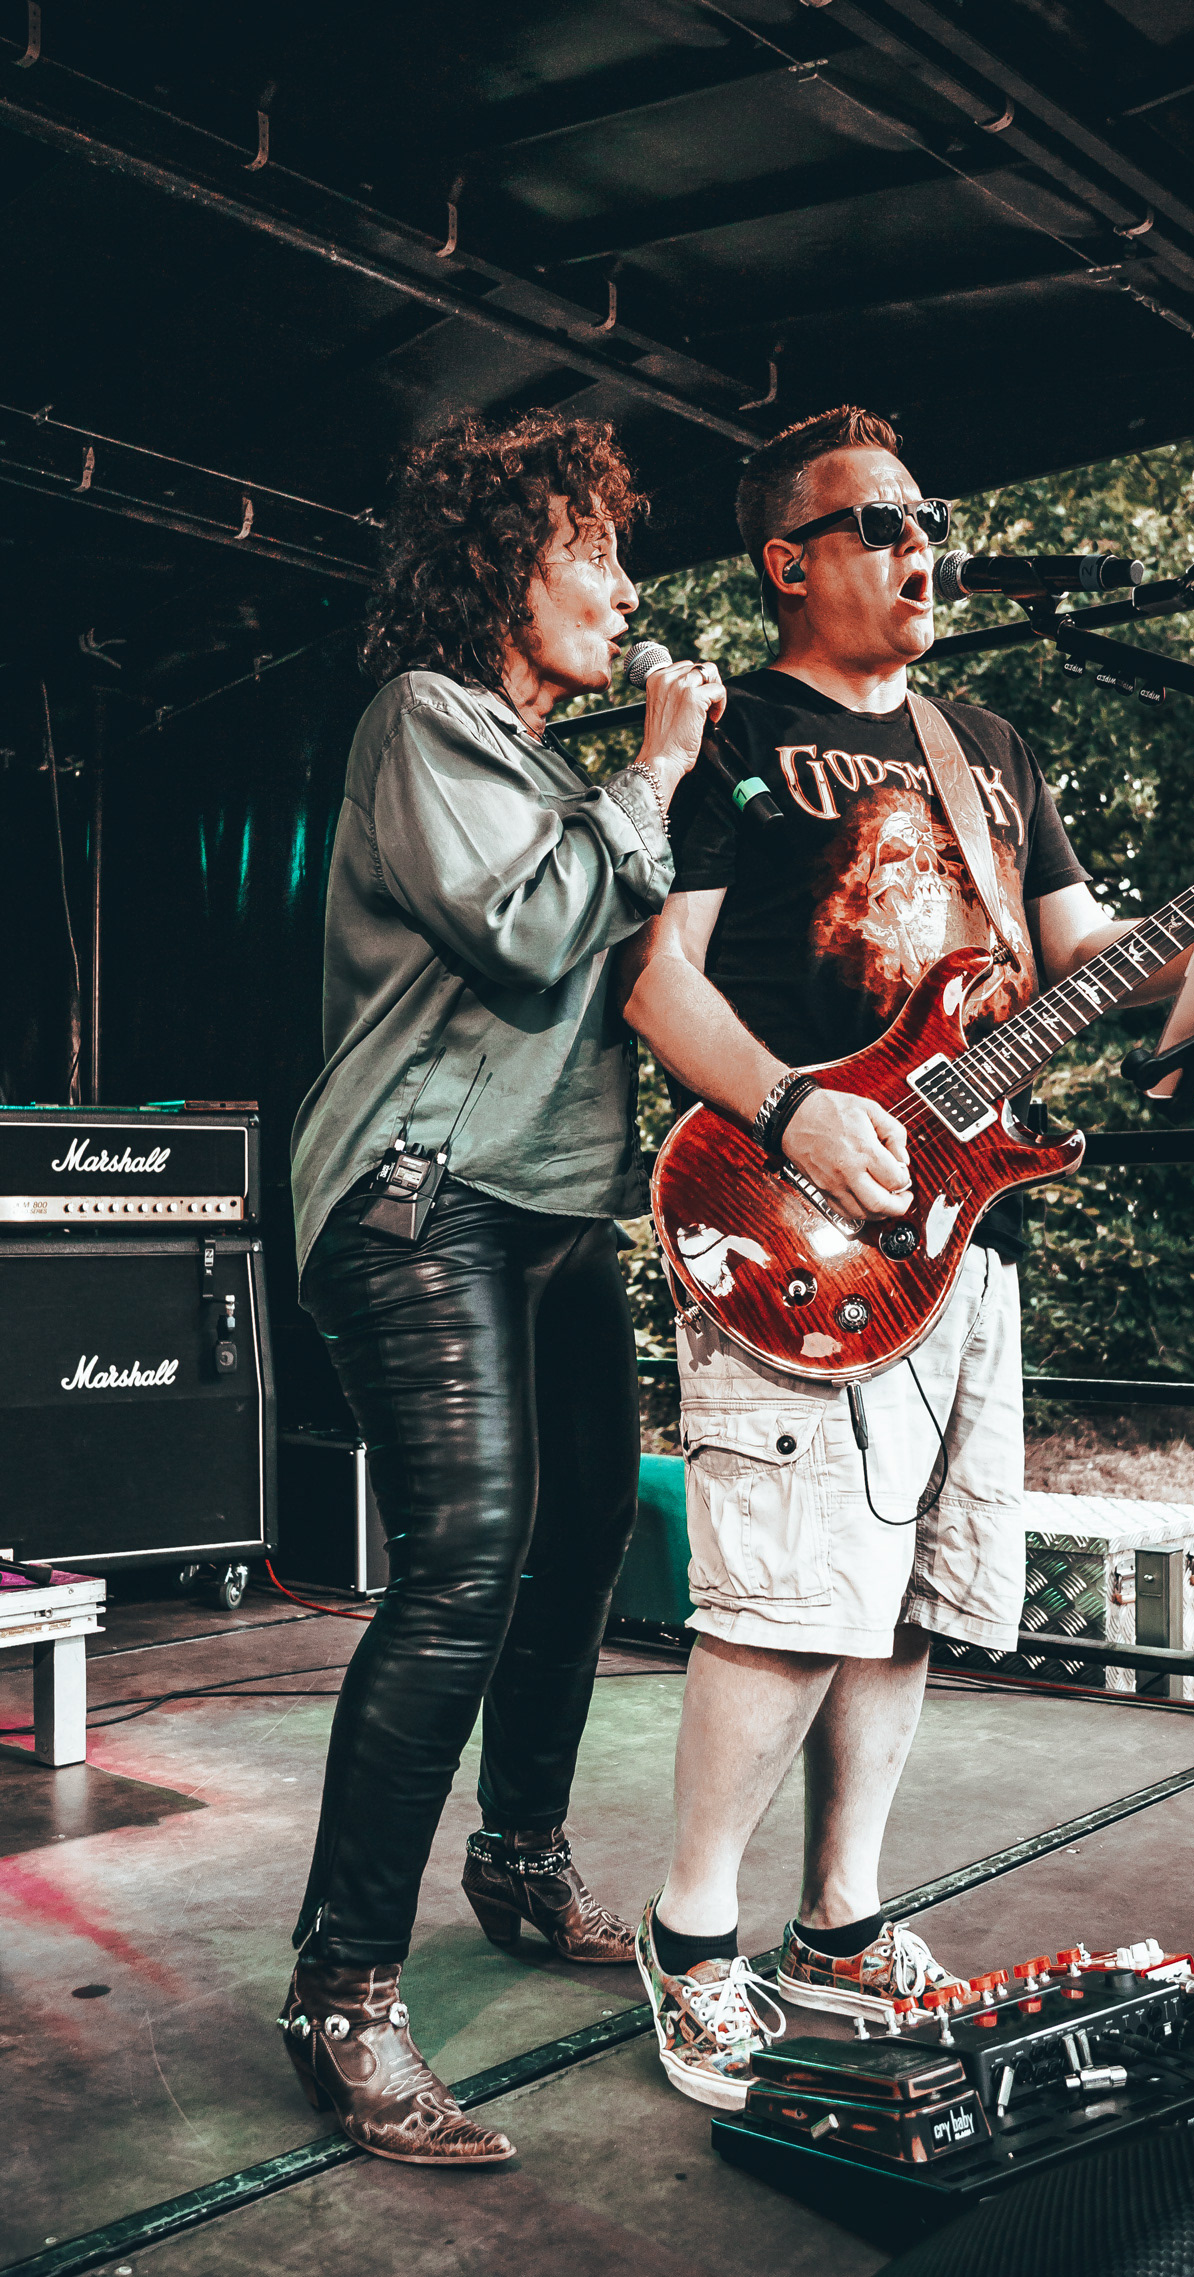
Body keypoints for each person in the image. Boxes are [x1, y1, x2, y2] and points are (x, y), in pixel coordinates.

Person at [618, 405, 1185, 2109]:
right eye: (877, 521)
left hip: (961, 1230)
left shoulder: (987, 744)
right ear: (788, 560)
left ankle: (841, 1924)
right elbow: (653, 980)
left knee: (909, 1595)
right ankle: (692, 1937)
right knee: (787, 1596)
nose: (919, 544)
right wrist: (793, 1113)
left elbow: (1086, 958)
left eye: (926, 515)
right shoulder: (739, 730)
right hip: (792, 1212)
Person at [283, 408, 724, 2163]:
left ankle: (522, 1857)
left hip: (546, 1211)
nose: (626, 590)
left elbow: (640, 953)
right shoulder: (426, 720)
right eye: (591, 554)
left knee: (590, 1518)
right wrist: (656, 774)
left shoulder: (550, 771)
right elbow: (532, 930)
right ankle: (341, 1989)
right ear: (498, 573)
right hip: (419, 1196)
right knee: (465, 1556)